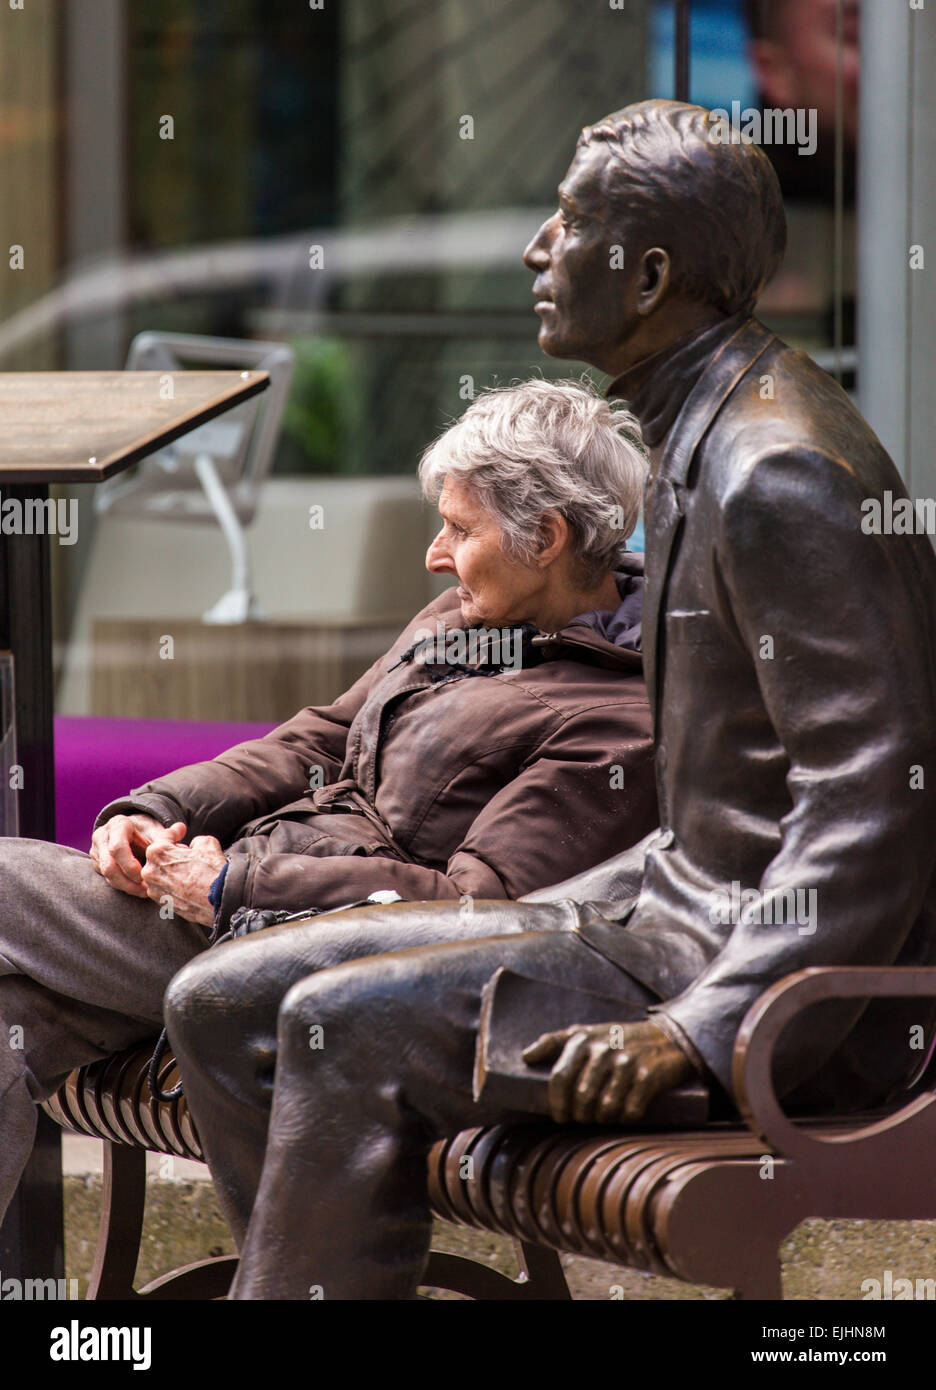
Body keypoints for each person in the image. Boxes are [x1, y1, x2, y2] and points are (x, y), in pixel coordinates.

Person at [165, 98, 936, 1301]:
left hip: (780, 1004)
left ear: (649, 275)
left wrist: (697, 1030)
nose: (536, 249)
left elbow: (878, 803)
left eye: (568, 222)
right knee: (222, 998)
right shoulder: (706, 426)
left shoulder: (775, 466)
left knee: (341, 1021)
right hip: (663, 915)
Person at [0, 377, 657, 1226]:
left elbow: (476, 909)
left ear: (548, 537)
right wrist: (152, 805)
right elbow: (316, 740)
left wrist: (236, 887)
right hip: (231, 918)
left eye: (460, 528)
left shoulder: (617, 719)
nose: (434, 552)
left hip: (315, 962)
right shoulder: (460, 618)